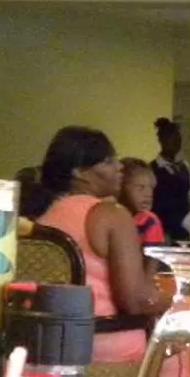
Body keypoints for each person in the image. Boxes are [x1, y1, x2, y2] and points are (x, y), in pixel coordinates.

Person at [36, 126, 171, 362]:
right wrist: (189, 301)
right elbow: (135, 301)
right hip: (105, 342)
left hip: (50, 344)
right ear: (80, 172)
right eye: (108, 161)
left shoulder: (44, 218)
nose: (120, 167)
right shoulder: (112, 215)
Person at [149, 117, 190, 243]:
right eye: (171, 138)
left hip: (183, 233)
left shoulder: (185, 167)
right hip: (161, 232)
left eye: (178, 139)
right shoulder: (152, 170)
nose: (175, 143)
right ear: (161, 140)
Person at [119, 158, 167, 246]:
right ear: (121, 187)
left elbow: (151, 254)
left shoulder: (149, 221)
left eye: (151, 188)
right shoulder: (109, 216)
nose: (148, 194)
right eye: (140, 187)